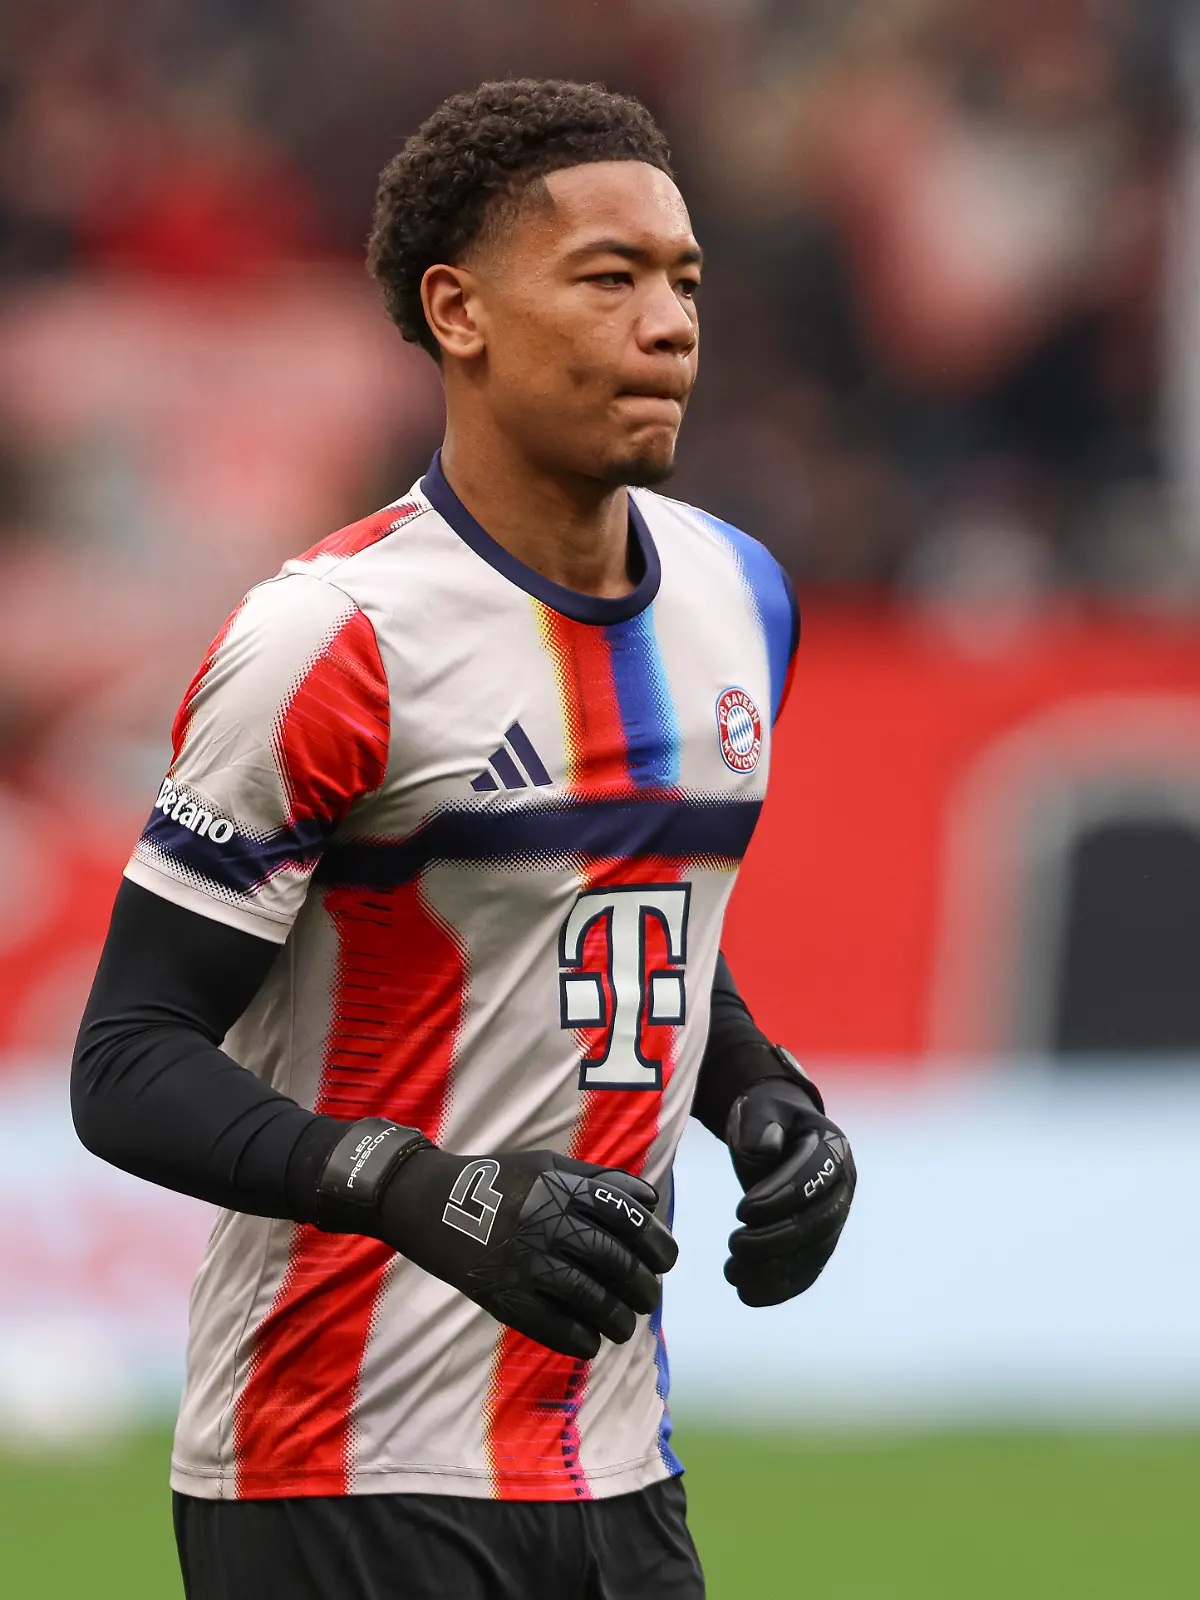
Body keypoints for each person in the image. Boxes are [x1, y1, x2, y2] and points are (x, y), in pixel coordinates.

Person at [71, 78, 856, 1600]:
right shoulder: (331, 639)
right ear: (461, 311)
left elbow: (622, 915)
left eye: (685, 281)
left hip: (620, 1469)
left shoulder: (741, 596)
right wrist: (421, 1188)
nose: (671, 323)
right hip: (332, 1470)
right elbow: (126, 1059)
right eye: (609, 277)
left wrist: (763, 1095)